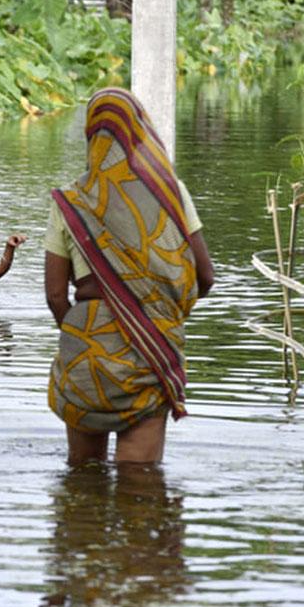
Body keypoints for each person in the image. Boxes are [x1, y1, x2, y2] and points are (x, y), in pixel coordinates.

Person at [44, 86, 214, 465]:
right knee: (142, 491)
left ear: (91, 135)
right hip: (148, 351)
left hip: (85, 351)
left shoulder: (71, 201)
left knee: (82, 482)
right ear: (140, 131)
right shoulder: (172, 194)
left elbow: (56, 296)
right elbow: (205, 277)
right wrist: (156, 316)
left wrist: (85, 337)